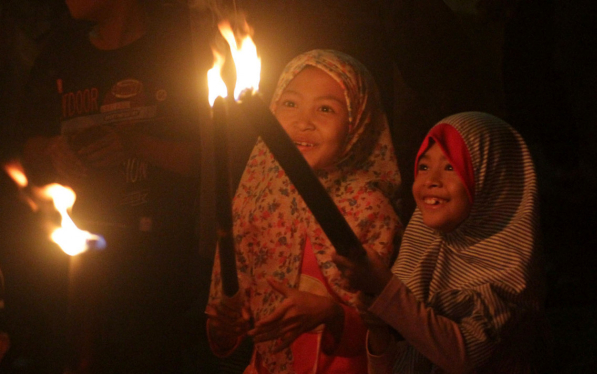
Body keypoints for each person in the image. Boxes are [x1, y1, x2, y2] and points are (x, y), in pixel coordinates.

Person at [17, 0, 204, 372]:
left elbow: (210, 163)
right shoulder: (61, 52)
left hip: (158, 266)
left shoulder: (178, 53)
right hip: (73, 255)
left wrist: (134, 144)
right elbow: (27, 150)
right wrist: (53, 150)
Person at [205, 49, 402, 373]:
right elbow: (227, 333)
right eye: (290, 103)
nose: (303, 122)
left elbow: (392, 330)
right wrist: (227, 322)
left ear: (359, 121)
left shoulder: (370, 208)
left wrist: (331, 314)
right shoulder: (258, 197)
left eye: (325, 109)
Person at [334, 112, 548, 373]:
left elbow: (462, 356)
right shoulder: (423, 251)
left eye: (451, 167)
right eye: (424, 167)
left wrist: (385, 288)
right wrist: (378, 326)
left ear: (494, 182)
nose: (430, 180)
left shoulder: (507, 276)